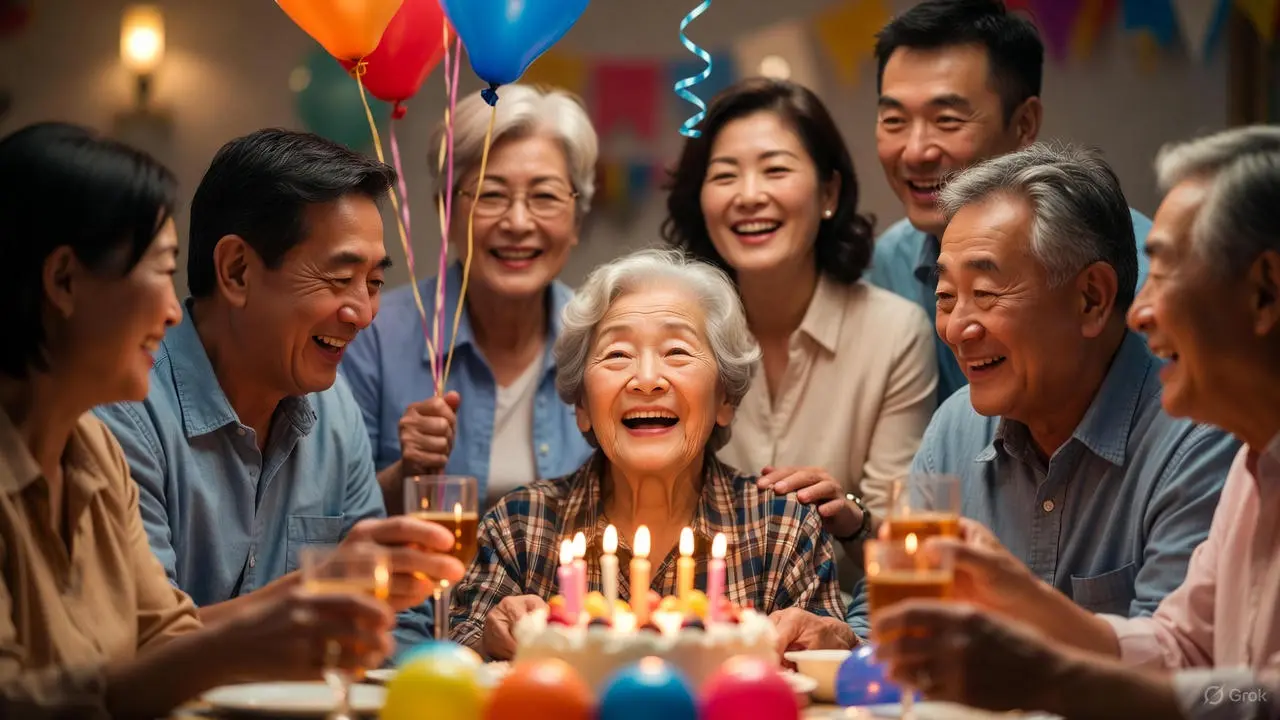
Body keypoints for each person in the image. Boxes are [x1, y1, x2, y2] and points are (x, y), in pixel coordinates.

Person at [869, 126, 1280, 719]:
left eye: (1165, 275)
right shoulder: (1255, 462)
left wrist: (1049, 680)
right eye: (946, 294)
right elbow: (1188, 654)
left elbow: (1251, 698)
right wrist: (1024, 599)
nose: (1139, 313)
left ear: (1265, 293)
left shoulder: (1208, 436)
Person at [0, 122, 395, 719]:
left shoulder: (89, 454)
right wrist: (282, 617)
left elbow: (163, 637)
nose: (171, 311)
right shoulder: (119, 423)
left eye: (375, 282)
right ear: (62, 282)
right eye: (157, 272)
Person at [93, 129, 465, 645]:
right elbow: (133, 641)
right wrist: (315, 591)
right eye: (340, 278)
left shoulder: (334, 412)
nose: (362, 314)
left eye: (375, 283)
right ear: (238, 271)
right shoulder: (125, 408)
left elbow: (395, 621)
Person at [448, 249, 851, 660]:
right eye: (617, 354)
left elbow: (833, 682)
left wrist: (831, 652)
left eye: (677, 351)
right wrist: (486, 644)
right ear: (582, 406)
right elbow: (455, 664)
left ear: (724, 398)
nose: (645, 380)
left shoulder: (781, 530)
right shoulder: (520, 526)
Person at [663, 77, 937, 592]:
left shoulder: (894, 334)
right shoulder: (672, 335)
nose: (748, 196)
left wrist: (850, 517)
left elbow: (905, 543)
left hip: (843, 640)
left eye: (775, 170)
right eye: (724, 175)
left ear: (828, 192)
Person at [865, 0, 1154, 404]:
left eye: (947, 120)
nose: (915, 152)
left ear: (1024, 124)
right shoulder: (888, 265)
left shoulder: (1142, 274)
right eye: (894, 121)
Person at [343, 85, 596, 513]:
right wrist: (408, 472)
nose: (517, 222)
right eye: (489, 194)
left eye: (545, 196)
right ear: (446, 210)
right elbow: (331, 516)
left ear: (576, 218)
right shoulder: (372, 334)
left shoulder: (603, 343)